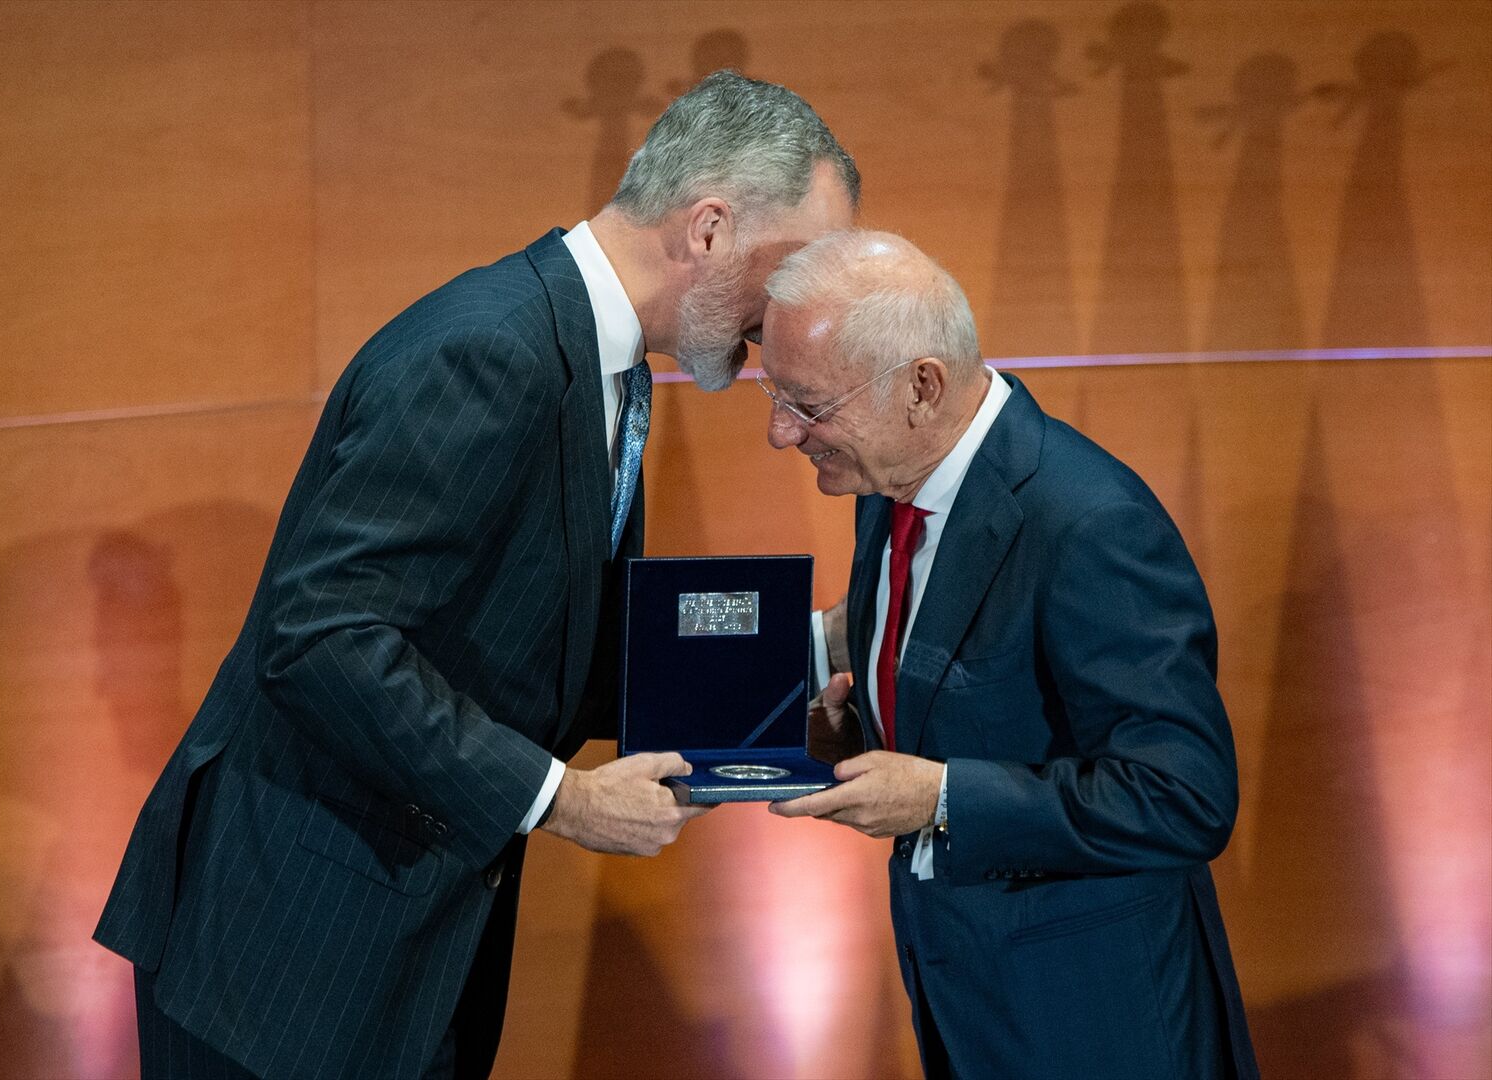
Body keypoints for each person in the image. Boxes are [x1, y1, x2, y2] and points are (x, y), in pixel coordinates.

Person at [95, 71, 858, 1080]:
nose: (797, 311)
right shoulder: (489, 352)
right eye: (794, 267)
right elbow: (320, 636)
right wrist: (563, 800)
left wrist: (802, 659)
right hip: (287, 962)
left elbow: (559, 644)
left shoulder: (600, 362)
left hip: (394, 950)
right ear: (709, 228)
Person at [762, 231, 1258, 1080]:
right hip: (968, 999)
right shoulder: (892, 484)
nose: (781, 432)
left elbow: (1184, 795)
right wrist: (858, 732)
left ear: (922, 386)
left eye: (808, 405)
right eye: (775, 395)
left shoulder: (1090, 521)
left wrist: (942, 796)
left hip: (1098, 1021)